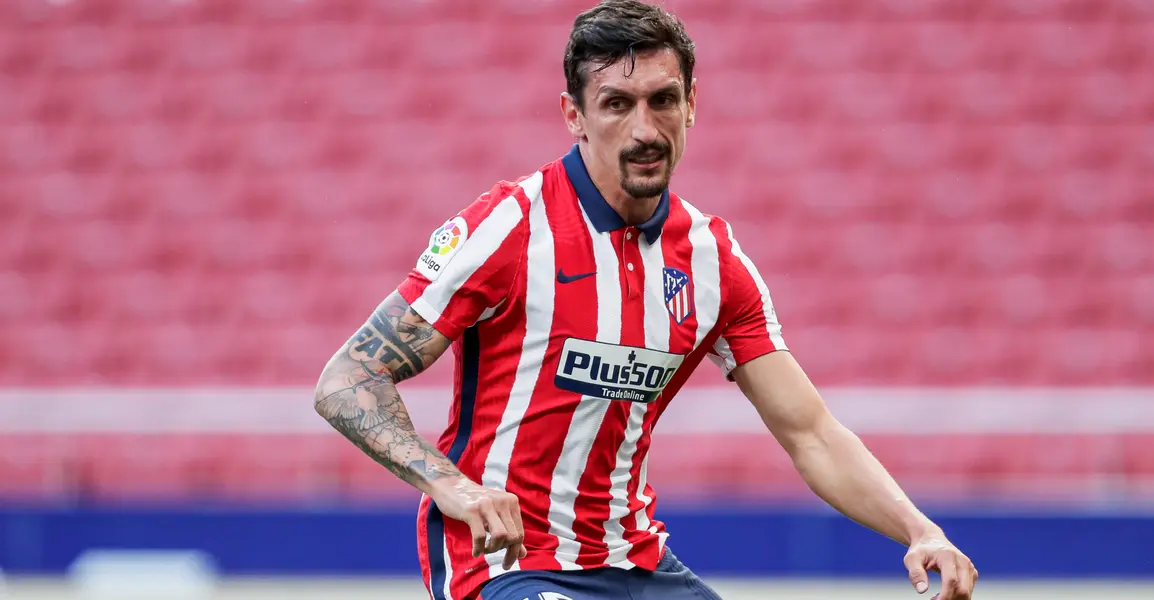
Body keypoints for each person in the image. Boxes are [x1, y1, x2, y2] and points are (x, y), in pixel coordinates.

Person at [313, 1, 978, 599]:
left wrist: (918, 529)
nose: (645, 129)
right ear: (574, 115)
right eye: (616, 103)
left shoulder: (715, 261)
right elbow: (348, 378)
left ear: (692, 105)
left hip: (636, 564)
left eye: (663, 100)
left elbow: (810, 432)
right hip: (508, 566)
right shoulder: (510, 227)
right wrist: (453, 488)